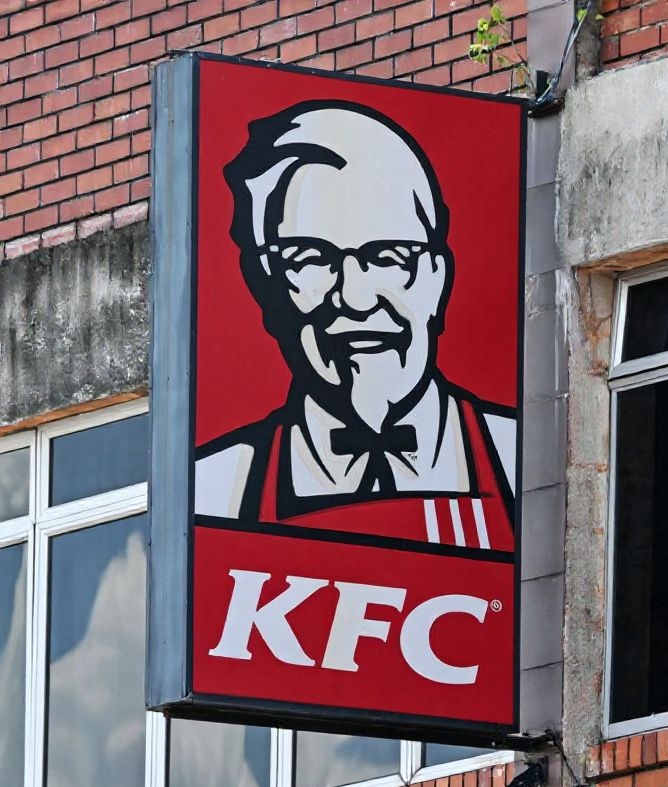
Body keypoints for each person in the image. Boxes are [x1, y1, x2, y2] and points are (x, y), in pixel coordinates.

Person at [194, 102, 515, 552]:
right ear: (264, 288)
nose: (356, 298)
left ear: (438, 278)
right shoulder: (214, 495)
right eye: (310, 259)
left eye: (388, 256)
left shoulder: (524, 460)